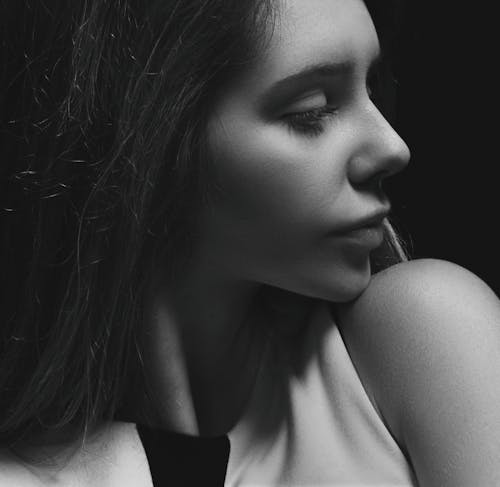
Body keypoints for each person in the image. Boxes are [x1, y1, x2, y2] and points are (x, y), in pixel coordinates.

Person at [1, 0, 499, 485]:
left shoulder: (423, 333)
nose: (393, 147)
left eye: (371, 89)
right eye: (314, 111)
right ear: (151, 145)